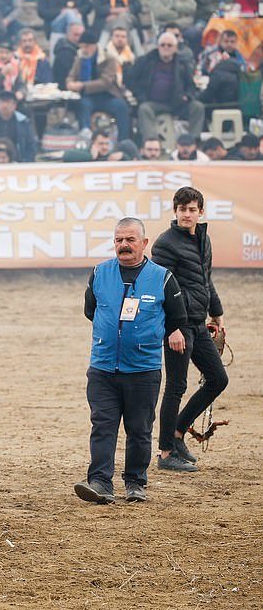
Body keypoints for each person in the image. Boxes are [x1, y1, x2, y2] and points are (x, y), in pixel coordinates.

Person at [75, 217, 186, 504]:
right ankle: (100, 482)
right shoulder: (99, 273)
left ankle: (135, 482)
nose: (124, 245)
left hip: (143, 370)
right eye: (119, 240)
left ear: (144, 243)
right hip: (102, 367)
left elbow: (178, 317)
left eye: (130, 240)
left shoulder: (162, 278)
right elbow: (91, 310)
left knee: (140, 429)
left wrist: (169, 332)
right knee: (103, 425)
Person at [151, 187, 228, 473]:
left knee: (218, 379)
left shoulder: (202, 239)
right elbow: (161, 289)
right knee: (176, 386)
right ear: (175, 211)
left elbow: (204, 279)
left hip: (197, 322)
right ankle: (165, 453)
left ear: (200, 212)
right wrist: (174, 327)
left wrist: (217, 312)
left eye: (192, 209)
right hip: (178, 327)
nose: (186, 214)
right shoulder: (164, 244)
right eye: (182, 209)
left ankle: (178, 432)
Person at [130, 32, 204, 142]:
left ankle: (193, 142)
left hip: (177, 103)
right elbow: (132, 81)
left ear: (175, 48)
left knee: (197, 107)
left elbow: (191, 86)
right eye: (162, 45)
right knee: (144, 109)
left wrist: (187, 96)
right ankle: (151, 143)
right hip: (153, 103)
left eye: (169, 45)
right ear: (158, 46)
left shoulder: (183, 63)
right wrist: (141, 97)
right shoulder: (146, 61)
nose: (165, 48)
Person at [67, 31, 131, 141]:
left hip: (107, 96)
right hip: (88, 97)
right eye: (82, 47)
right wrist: (70, 83)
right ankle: (85, 136)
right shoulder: (80, 58)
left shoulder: (109, 59)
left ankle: (123, 140)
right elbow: (71, 76)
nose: (84, 50)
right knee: (83, 106)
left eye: (87, 47)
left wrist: (83, 85)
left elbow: (105, 82)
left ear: (94, 45)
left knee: (121, 107)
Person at [52, 21, 84, 88]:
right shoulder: (65, 51)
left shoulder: (79, 48)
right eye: (76, 35)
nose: (79, 38)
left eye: (82, 35)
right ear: (68, 34)